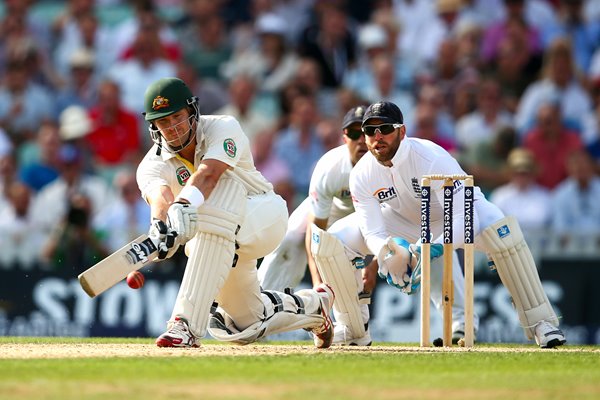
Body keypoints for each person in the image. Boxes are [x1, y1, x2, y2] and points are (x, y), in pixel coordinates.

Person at [312, 101, 565, 348]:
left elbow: (465, 220)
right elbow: (373, 231)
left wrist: (432, 246)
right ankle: (353, 329)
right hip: (403, 221)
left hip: (461, 214)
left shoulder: (431, 157)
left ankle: (542, 323)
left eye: (385, 129)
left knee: (503, 233)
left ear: (402, 131)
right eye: (370, 131)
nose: (377, 137)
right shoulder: (362, 174)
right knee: (333, 241)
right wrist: (388, 250)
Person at [136, 77, 334, 348]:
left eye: (177, 118)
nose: (172, 128)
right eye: (163, 122)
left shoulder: (223, 126)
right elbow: (159, 197)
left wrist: (181, 207)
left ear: (192, 112)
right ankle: (314, 306)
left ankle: (184, 325)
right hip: (220, 239)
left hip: (263, 214)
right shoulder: (150, 164)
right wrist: (160, 225)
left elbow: (209, 175)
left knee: (218, 194)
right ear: (153, 126)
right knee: (246, 324)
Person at [258, 106, 377, 346]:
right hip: (325, 214)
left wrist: (374, 266)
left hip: (365, 222)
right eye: (354, 133)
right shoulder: (330, 166)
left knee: (353, 263)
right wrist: (317, 285)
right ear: (344, 137)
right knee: (290, 239)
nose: (361, 141)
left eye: (366, 132)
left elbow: (386, 225)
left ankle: (354, 328)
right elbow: (316, 232)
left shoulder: (384, 169)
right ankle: (257, 311)